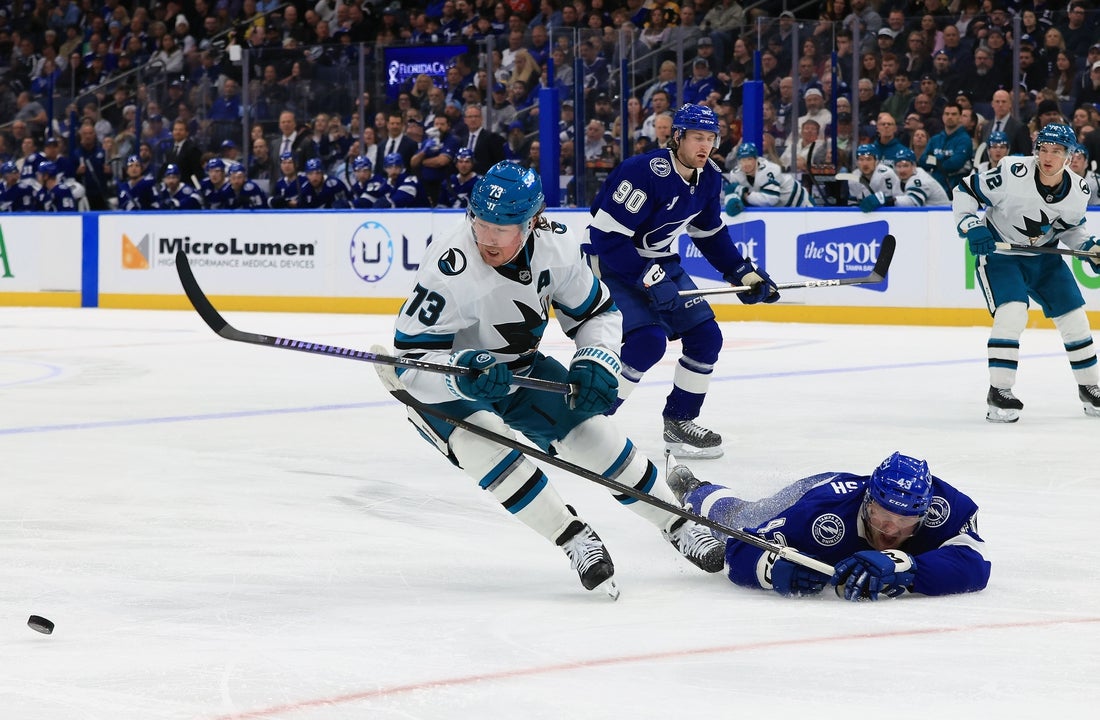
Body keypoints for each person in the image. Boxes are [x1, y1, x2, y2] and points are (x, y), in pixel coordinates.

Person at [389, 161, 725, 594]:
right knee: (487, 448)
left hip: (520, 367)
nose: (487, 238)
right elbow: (410, 363)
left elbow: (597, 313)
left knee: (595, 437)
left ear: (531, 222)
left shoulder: (557, 247)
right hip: (453, 383)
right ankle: (572, 537)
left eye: (501, 228)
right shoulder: (447, 266)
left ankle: (677, 523)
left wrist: (596, 358)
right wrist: (461, 373)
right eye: (480, 222)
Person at [585, 105, 780, 459]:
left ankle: (679, 422)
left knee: (706, 338)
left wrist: (741, 272)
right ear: (677, 137)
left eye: (711, 138)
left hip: (658, 259)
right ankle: (586, 423)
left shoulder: (709, 177)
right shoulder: (643, 172)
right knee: (646, 343)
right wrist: (648, 277)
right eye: (697, 138)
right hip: (612, 263)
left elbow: (709, 233)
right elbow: (607, 237)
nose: (705, 146)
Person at [667, 451, 991, 600]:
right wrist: (772, 568)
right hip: (817, 488)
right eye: (881, 516)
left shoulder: (945, 507)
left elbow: (974, 564)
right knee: (745, 514)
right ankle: (694, 489)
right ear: (867, 501)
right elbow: (739, 548)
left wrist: (906, 566)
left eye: (904, 522)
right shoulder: (820, 513)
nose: (891, 531)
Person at [954, 123, 1100, 422]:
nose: (1047, 156)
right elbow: (965, 189)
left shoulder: (1078, 190)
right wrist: (972, 224)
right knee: (1012, 313)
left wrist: (1089, 247)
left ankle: (1089, 387)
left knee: (1075, 319)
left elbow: (1071, 228)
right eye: (1043, 149)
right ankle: (999, 391)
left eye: (1056, 151)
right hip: (1001, 255)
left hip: (1044, 259)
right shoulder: (1012, 171)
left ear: (1070, 156)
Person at [726, 141, 815, 210]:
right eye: (743, 160)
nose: (746, 164)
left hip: (800, 201)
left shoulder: (769, 169)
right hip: (780, 210)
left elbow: (771, 199)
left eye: (749, 159)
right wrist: (733, 200)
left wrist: (744, 195)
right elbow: (733, 196)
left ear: (756, 159)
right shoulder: (735, 174)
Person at [862, 146, 950, 209]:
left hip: (943, 218)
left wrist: (887, 200)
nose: (902, 170)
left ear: (914, 166)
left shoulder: (920, 178)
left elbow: (912, 202)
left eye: (906, 166)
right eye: (899, 166)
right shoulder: (899, 181)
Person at [851, 144, 901, 210]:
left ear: (876, 161)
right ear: (857, 162)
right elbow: (853, 204)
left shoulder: (886, 174)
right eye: (861, 159)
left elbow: (891, 202)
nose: (865, 164)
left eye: (869, 159)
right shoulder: (853, 176)